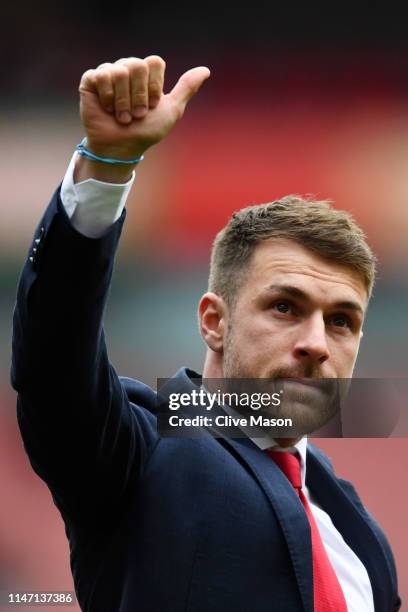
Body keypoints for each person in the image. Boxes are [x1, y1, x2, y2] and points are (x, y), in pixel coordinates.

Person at [11, 55, 401, 612]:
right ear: (214, 322)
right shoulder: (141, 447)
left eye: (342, 320)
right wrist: (107, 167)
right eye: (286, 307)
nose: (317, 342)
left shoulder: (360, 537)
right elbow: (53, 363)